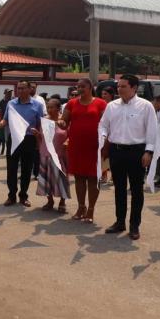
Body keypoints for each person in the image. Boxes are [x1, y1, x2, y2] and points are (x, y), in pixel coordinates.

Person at [98, 74, 158, 240]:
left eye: (123, 86)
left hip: (137, 152)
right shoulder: (112, 106)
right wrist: (102, 136)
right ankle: (119, 222)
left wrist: (149, 151)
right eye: (118, 86)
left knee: (136, 190)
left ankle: (134, 225)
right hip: (116, 151)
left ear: (134, 88)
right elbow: (103, 125)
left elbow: (152, 131)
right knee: (119, 188)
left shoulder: (145, 106)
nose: (119, 89)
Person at [60, 78, 106, 223]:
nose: (80, 89)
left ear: (90, 87)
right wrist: (60, 122)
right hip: (77, 146)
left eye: (83, 86)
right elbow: (64, 122)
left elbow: (106, 124)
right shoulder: (72, 103)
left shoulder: (100, 103)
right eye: (78, 86)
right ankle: (81, 207)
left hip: (94, 146)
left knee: (93, 179)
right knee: (79, 178)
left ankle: (91, 209)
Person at [0, 80, 45, 207]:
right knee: (11, 168)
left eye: (23, 88)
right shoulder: (11, 104)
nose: (20, 91)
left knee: (26, 169)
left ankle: (23, 196)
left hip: (29, 139)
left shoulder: (37, 105)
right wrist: (0, 124)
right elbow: (5, 120)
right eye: (19, 88)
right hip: (14, 138)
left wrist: (39, 135)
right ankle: (11, 196)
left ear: (30, 89)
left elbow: (41, 123)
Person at [35, 99, 71, 212]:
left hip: (60, 154)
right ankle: (50, 200)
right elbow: (42, 137)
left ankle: (62, 202)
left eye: (52, 107)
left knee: (61, 179)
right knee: (47, 179)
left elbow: (70, 134)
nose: (49, 110)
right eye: (48, 107)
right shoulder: (44, 120)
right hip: (46, 153)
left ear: (58, 109)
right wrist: (37, 135)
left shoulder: (63, 121)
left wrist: (68, 142)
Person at [0, 89, 13, 156]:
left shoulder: (13, 101)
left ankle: (11, 151)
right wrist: (1, 121)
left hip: (12, 122)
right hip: (5, 122)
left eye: (11, 93)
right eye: (8, 93)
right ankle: (7, 151)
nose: (10, 94)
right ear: (5, 94)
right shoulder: (2, 102)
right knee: (5, 138)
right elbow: (1, 112)